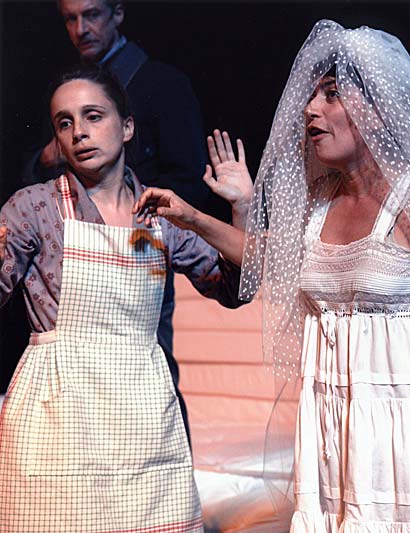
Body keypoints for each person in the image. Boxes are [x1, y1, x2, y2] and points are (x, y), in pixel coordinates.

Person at [134, 20, 410, 532]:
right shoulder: (321, 200)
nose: (309, 110)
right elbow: (267, 260)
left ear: (381, 109)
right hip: (341, 431)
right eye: (310, 96)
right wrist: (194, 218)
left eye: (332, 95)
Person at [0, 66, 246, 531]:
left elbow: (235, 288)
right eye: (65, 123)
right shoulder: (34, 207)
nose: (79, 132)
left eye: (93, 116)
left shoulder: (160, 215)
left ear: (127, 126)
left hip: (141, 416)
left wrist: (239, 209)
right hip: (60, 417)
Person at [16, 0, 211, 439]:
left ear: (118, 13)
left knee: (149, 368)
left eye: (92, 15)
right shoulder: (65, 88)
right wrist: (48, 157)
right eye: (70, 18)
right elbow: (32, 170)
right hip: (69, 240)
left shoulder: (160, 83)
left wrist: (136, 208)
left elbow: (188, 176)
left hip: (141, 241)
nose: (81, 28)